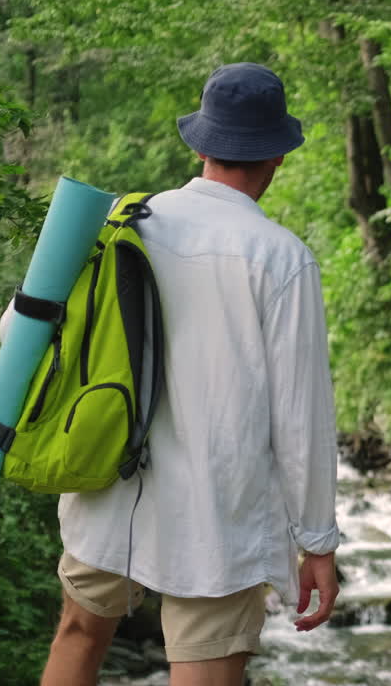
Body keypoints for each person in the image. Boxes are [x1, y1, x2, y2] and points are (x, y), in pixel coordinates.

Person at [28, 62, 341, 686]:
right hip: (217, 515)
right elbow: (301, 418)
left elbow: (25, 330)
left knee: (78, 634)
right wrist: (319, 544)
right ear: (278, 155)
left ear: (199, 145)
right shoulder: (280, 260)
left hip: (106, 487)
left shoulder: (120, 221)